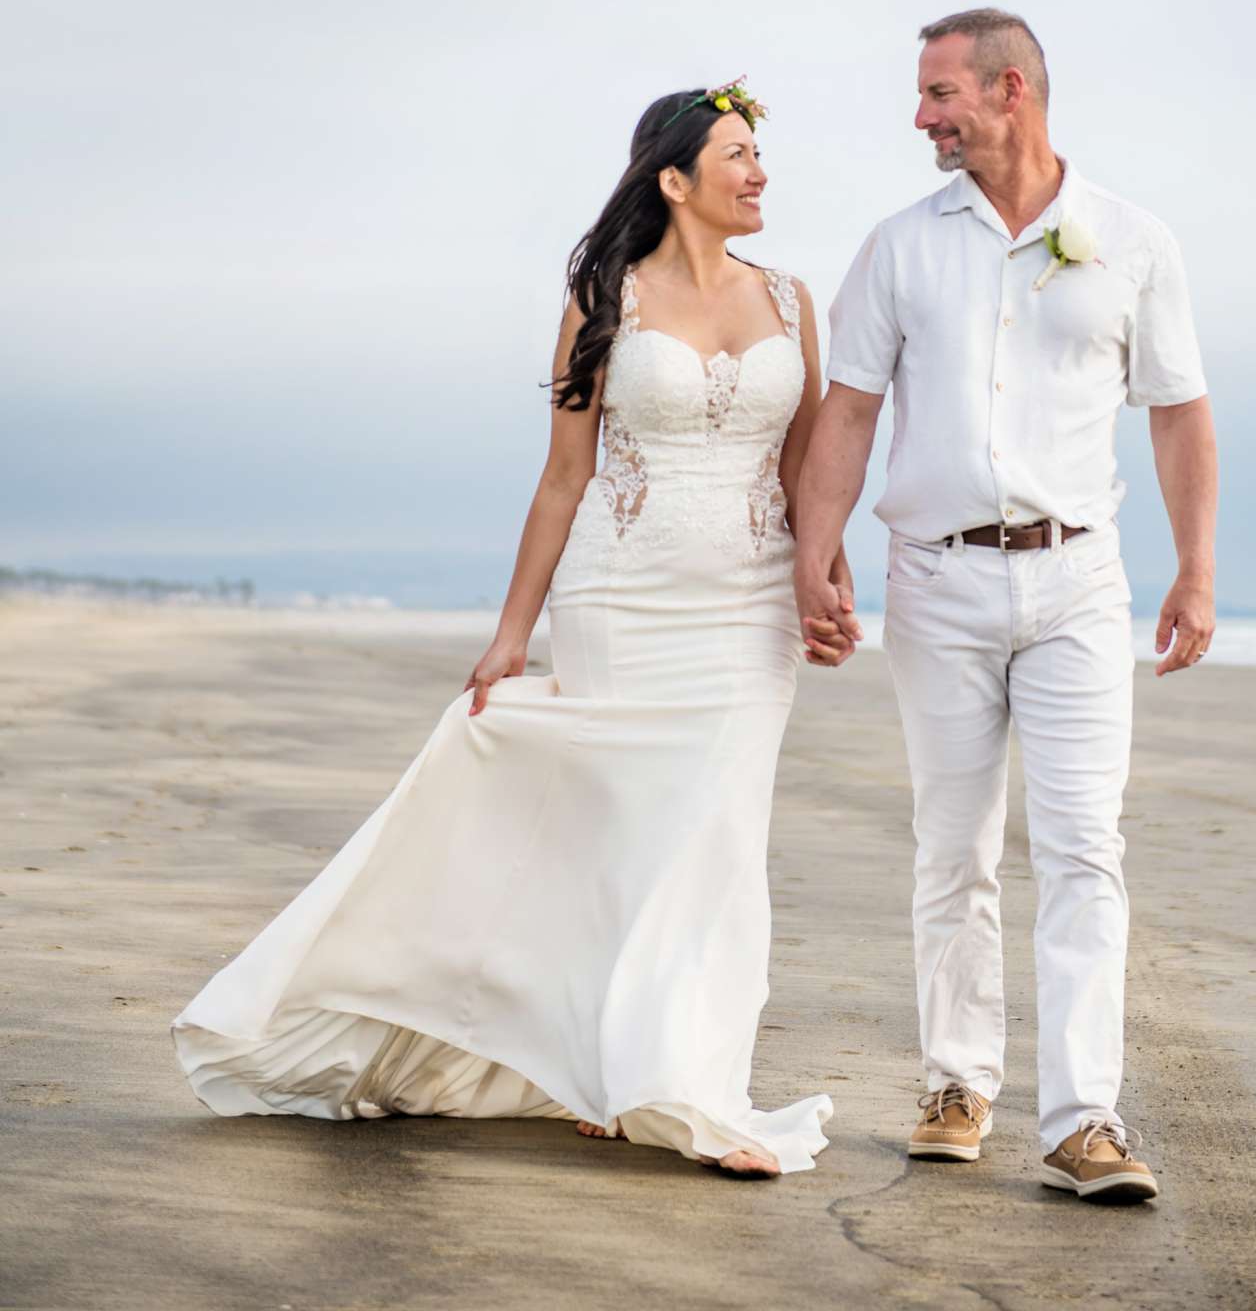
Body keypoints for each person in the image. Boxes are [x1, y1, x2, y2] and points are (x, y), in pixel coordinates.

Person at [174, 79, 847, 1177]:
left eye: (757, 156)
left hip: (747, 609)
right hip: (620, 600)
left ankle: (682, 1081)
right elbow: (562, 480)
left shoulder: (792, 300)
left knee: (716, 839)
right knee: (619, 842)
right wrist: (510, 636)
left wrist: (822, 582)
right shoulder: (603, 301)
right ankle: (608, 1066)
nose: (758, 172)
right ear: (674, 181)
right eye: (736, 154)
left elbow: (803, 464)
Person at [794, 9, 1217, 1202]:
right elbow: (849, 411)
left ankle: (1084, 1118)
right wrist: (814, 554)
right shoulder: (897, 247)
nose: (921, 116)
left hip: (1079, 577)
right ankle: (955, 1084)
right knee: (953, 844)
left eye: (938, 94)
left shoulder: (1129, 240)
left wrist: (1196, 567)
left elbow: (1178, 411)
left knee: (1085, 848)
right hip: (934, 578)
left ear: (1009, 90)